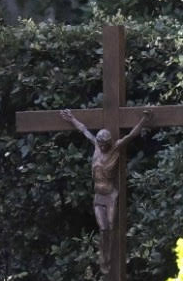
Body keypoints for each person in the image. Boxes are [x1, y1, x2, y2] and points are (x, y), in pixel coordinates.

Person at [60, 108, 150, 271]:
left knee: (111, 226)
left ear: (109, 143)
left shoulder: (115, 149)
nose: (101, 146)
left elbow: (130, 136)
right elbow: (84, 130)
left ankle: (111, 258)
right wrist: (71, 118)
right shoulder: (95, 146)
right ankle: (104, 259)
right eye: (99, 144)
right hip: (98, 196)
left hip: (110, 196)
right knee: (103, 229)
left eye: (103, 144)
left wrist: (144, 120)